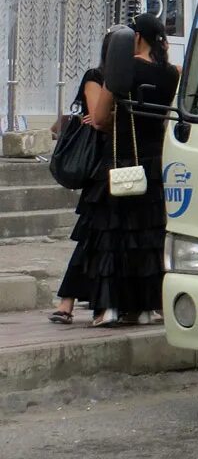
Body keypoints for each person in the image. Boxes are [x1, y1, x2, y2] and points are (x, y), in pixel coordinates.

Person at [83, 14, 180, 327]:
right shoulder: (172, 74)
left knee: (114, 234)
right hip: (155, 162)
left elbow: (98, 118)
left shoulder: (121, 71)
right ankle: (151, 306)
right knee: (150, 235)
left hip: (122, 158)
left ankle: (109, 306)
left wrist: (119, 120)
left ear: (135, 37)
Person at [47, 32, 114, 324]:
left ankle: (74, 303)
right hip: (99, 168)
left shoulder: (132, 80)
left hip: (117, 163)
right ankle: (68, 302)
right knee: (89, 235)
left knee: (100, 239)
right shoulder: (96, 76)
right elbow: (99, 119)